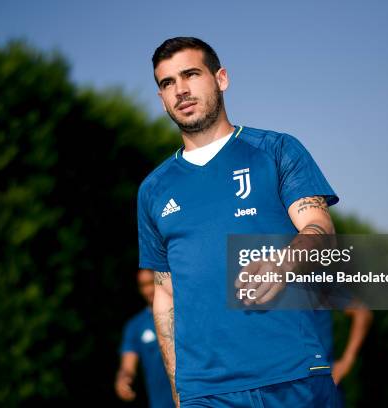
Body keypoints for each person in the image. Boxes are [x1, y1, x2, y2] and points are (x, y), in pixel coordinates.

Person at [137, 37, 342, 407]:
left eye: (191, 74)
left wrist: (282, 264)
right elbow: (165, 294)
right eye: (167, 83)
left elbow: (318, 229)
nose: (180, 90)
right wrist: (178, 392)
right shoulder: (153, 189)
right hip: (206, 393)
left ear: (221, 79)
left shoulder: (277, 150)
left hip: (291, 377)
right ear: (161, 97)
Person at [116, 268, 175, 408]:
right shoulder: (135, 326)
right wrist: (123, 379)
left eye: (151, 283)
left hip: (195, 399)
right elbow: (127, 366)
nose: (149, 290)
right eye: (143, 285)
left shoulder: (182, 314)